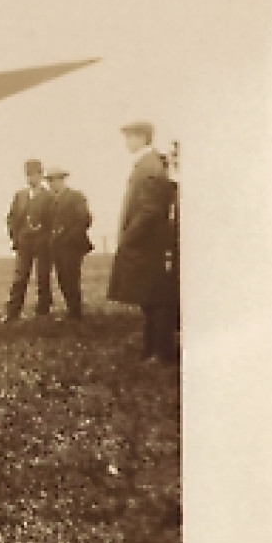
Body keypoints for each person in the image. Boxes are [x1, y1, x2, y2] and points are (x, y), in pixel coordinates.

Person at [108, 121, 179, 363]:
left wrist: (128, 238)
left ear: (143, 137)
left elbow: (150, 209)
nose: (127, 142)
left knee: (155, 300)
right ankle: (152, 350)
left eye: (130, 137)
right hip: (147, 244)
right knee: (150, 300)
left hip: (147, 245)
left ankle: (161, 352)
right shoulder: (147, 164)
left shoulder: (148, 166)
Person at [3, 158, 55, 321]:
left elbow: (54, 220)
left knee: (43, 277)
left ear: (41, 175)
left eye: (34, 175)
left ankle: (43, 311)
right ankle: (12, 313)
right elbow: (11, 217)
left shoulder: (49, 196)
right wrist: (16, 236)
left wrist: (46, 235)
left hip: (43, 243)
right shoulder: (20, 196)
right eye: (28, 175)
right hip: (24, 243)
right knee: (20, 278)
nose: (31, 178)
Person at [43, 167, 93, 321]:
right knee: (62, 278)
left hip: (72, 246)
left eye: (54, 180)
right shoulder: (50, 200)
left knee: (71, 278)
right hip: (57, 246)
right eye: (49, 181)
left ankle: (75, 312)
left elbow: (85, 219)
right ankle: (72, 310)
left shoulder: (76, 197)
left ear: (62, 180)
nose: (52, 184)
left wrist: (69, 236)